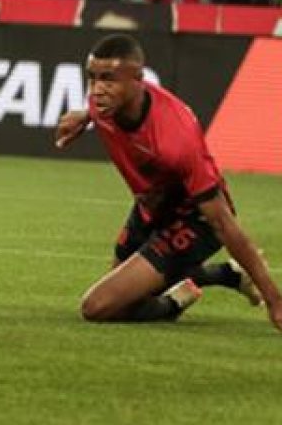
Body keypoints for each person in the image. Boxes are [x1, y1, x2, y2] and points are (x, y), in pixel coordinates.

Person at [55, 34, 281, 331]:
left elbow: (223, 221)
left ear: (137, 79)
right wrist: (83, 118)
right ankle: (217, 279)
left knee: (97, 307)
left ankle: (211, 281)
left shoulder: (175, 139)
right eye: (92, 79)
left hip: (193, 218)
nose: (97, 90)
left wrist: (275, 300)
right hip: (150, 206)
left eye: (108, 79)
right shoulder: (104, 102)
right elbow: (98, 106)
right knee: (124, 304)